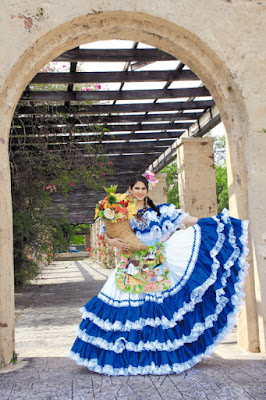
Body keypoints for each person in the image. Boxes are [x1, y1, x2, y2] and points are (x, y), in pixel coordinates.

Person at [68, 174, 249, 376]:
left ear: (147, 191)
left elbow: (185, 219)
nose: (140, 192)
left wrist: (210, 222)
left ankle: (159, 356)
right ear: (130, 189)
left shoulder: (159, 211)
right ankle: (124, 356)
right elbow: (107, 232)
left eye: (143, 189)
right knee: (122, 305)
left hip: (156, 262)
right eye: (136, 188)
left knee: (157, 310)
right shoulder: (121, 211)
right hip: (132, 263)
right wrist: (112, 242)